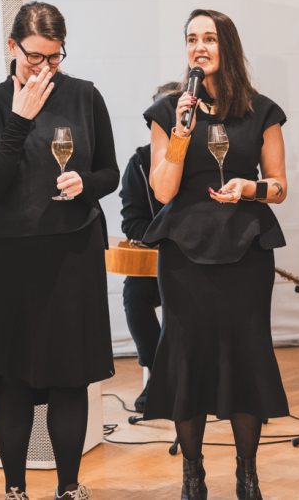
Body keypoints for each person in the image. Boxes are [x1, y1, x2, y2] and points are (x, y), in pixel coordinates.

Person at [0, 2, 118, 500]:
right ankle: (15, 488)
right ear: (12, 46)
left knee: (69, 377)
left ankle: (68, 487)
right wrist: (19, 119)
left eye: (55, 57)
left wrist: (86, 184)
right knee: (11, 379)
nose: (45, 68)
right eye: (35, 56)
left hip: (72, 254)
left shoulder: (85, 96)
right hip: (7, 261)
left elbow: (110, 172)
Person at [142, 9, 289, 500]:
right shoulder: (168, 112)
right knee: (187, 358)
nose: (198, 47)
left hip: (246, 250)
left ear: (227, 46)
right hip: (184, 254)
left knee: (246, 355)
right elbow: (163, 191)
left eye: (208, 38)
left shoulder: (261, 111)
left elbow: (279, 187)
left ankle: (247, 475)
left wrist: (250, 188)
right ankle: (193, 475)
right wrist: (181, 133)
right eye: (191, 39)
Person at [119, 81, 181, 413]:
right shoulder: (140, 163)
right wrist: (167, 238)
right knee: (134, 294)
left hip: (201, 261)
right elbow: (132, 222)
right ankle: (160, 376)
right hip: (159, 260)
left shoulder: (205, 155)